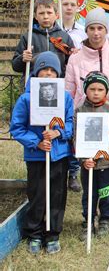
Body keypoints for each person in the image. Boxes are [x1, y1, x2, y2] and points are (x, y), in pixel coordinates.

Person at [10, 52, 73, 254]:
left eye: (52, 70)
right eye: (44, 70)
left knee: (57, 194)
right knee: (37, 194)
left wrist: (58, 132)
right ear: (36, 73)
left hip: (59, 155)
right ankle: (35, 234)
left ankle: (53, 233)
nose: (47, 74)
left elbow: (71, 123)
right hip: (36, 156)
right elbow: (17, 128)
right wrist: (36, 142)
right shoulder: (25, 99)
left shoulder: (65, 97)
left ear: (58, 74)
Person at [76, 71, 109, 240]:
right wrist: (83, 159)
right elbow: (75, 138)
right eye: (92, 89)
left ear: (106, 91)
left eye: (100, 89)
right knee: (89, 194)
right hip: (88, 165)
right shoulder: (79, 112)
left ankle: (105, 220)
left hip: (107, 163)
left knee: (106, 193)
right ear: (86, 90)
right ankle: (88, 221)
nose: (96, 93)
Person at [65, 7, 109, 108]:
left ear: (106, 30)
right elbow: (68, 94)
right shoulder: (74, 58)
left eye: (100, 28)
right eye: (92, 28)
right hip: (81, 115)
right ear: (86, 30)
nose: (96, 33)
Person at [12, 0, 75, 78]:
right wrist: (22, 59)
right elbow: (15, 66)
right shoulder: (28, 37)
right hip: (32, 84)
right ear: (35, 16)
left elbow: (73, 64)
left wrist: (75, 55)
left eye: (49, 13)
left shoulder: (64, 37)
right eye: (41, 13)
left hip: (57, 84)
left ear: (56, 15)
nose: (45, 16)